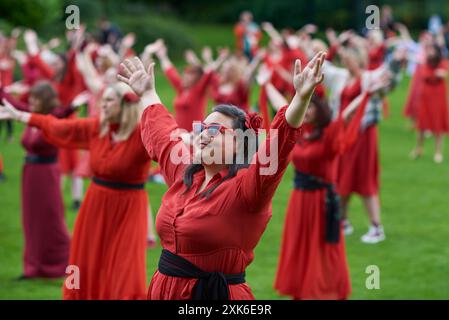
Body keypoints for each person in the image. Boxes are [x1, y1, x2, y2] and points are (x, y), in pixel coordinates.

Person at [117, 51, 327, 300]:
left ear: (240, 143)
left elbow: (278, 146)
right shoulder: (185, 173)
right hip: (164, 292)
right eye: (202, 127)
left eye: (215, 129)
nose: (204, 134)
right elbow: (163, 135)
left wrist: (301, 98)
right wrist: (148, 94)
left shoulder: (249, 188)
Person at [0, 81, 152, 299]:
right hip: (95, 204)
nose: (103, 105)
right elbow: (59, 127)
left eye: (109, 100)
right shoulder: (97, 128)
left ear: (125, 105)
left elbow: (166, 139)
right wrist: (21, 116)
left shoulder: (141, 135)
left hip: (128, 207)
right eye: (103, 100)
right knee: (84, 260)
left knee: (125, 264)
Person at [260, 67, 390, 299]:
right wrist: (266, 84)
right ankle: (301, 288)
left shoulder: (329, 134)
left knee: (324, 249)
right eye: (304, 105)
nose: (305, 109)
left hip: (323, 201)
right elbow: (283, 106)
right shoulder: (297, 132)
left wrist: (365, 94)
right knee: (300, 247)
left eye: (310, 106)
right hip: (299, 200)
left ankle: (324, 290)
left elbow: (347, 115)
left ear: (320, 110)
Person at [0, 81, 84, 279]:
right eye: (31, 98)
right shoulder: (31, 115)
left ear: (45, 100)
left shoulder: (50, 117)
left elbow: (62, 114)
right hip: (30, 173)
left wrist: (73, 106)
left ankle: (60, 263)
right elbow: (14, 106)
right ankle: (33, 267)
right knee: (31, 220)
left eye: (36, 99)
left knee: (51, 218)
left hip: (47, 173)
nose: (32, 102)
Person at [153, 40, 227, 131]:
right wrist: (163, 57)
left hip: (194, 135)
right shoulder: (182, 89)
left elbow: (209, 73)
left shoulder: (198, 90)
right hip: (180, 134)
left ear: (196, 79)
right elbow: (170, 72)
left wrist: (221, 59)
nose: (184, 78)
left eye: (188, 77)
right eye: (184, 75)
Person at [411, 43, 449, 163]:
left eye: (432, 50)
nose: (429, 52)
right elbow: (425, 75)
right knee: (422, 124)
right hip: (426, 96)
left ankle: (438, 152)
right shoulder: (425, 63)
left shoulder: (442, 62)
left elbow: (443, 74)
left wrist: (437, 75)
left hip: (438, 97)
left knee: (438, 124)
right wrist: (436, 74)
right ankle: (418, 149)